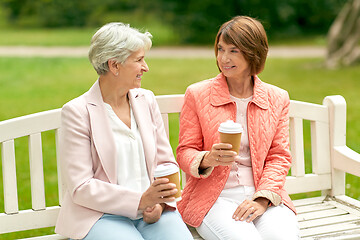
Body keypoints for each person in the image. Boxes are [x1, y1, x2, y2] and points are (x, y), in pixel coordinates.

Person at [54, 22, 193, 240]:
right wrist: (140, 200)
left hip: (151, 212)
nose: (145, 67)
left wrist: (160, 202)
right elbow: (81, 186)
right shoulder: (77, 112)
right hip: (100, 216)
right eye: (138, 60)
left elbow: (165, 163)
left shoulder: (146, 100)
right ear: (114, 65)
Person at [176, 16, 299, 239]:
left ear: (253, 52)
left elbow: (278, 156)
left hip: (263, 195)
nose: (223, 58)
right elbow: (185, 151)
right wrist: (207, 159)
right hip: (213, 198)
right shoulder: (197, 94)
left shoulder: (277, 98)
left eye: (233, 51)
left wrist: (262, 199)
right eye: (220, 49)